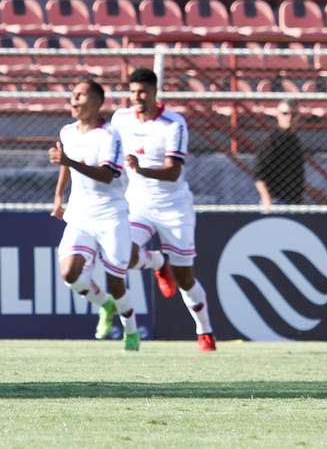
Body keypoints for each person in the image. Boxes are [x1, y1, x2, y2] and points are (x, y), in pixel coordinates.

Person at [111, 68, 216, 352]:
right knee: (124, 254)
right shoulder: (120, 118)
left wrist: (141, 168)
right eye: (133, 92)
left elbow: (173, 172)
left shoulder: (173, 124)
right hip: (139, 204)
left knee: (184, 277)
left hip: (174, 207)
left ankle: (204, 331)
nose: (137, 97)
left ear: (155, 93)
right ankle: (158, 263)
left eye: (143, 92)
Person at [50, 79, 139, 350]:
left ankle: (132, 331)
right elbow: (67, 166)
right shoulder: (68, 132)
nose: (74, 99)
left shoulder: (110, 135)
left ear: (98, 101)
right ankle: (105, 306)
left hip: (110, 214)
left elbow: (106, 174)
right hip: (80, 213)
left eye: (80, 95)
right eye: (72, 95)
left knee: (115, 281)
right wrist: (58, 196)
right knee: (69, 272)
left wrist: (69, 162)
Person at [254, 100, 305, 209]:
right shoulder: (271, 141)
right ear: (278, 115)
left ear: (298, 116)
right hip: (275, 201)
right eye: (285, 113)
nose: (289, 117)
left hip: (294, 201)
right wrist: (266, 199)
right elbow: (259, 174)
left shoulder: (295, 141)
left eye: (294, 114)